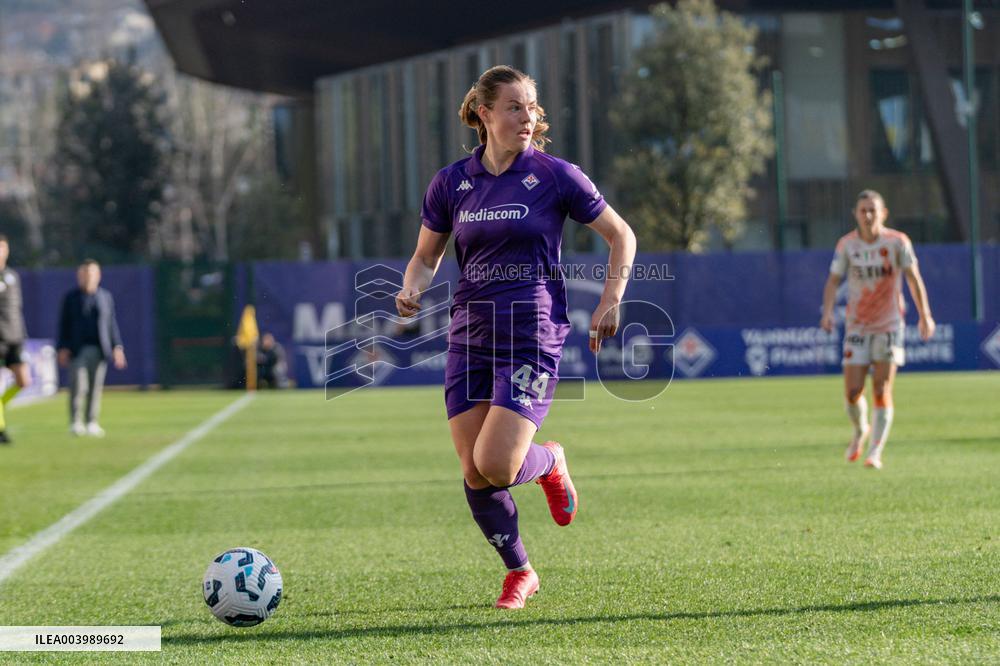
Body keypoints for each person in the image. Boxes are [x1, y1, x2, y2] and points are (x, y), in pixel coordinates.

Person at [396, 66, 636, 608]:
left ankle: (549, 461)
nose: (527, 117)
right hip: (468, 336)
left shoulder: (555, 175)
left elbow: (622, 236)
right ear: (484, 114)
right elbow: (425, 257)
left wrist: (611, 298)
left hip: (531, 337)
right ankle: (520, 571)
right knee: (474, 471)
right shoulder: (451, 182)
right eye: (513, 107)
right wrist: (411, 290)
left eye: (531, 107)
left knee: (500, 465)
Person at [821, 190, 935, 470]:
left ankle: (875, 452)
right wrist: (827, 312)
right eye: (863, 210)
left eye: (873, 210)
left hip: (889, 324)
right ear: (856, 214)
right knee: (852, 392)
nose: (868, 215)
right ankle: (861, 430)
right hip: (857, 325)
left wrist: (925, 315)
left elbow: (913, 278)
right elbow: (833, 281)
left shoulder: (897, 242)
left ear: (883, 214)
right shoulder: (847, 245)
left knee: (882, 388)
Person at [57, 259, 127, 437]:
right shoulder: (71, 298)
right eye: (84, 273)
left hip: (99, 349)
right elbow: (63, 324)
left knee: (95, 388)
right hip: (77, 349)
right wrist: (62, 347)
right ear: (79, 276)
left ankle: (92, 421)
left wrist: (117, 347)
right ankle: (76, 421)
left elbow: (111, 324)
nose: (87, 277)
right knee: (78, 386)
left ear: (98, 275)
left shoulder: (105, 297)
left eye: (91, 273)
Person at [0, 235, 32, 444]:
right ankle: (1, 430)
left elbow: (16, 309)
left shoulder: (12, 275)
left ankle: (0, 405)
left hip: (14, 336)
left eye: (2, 247)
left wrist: (22, 333)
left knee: (24, 381)